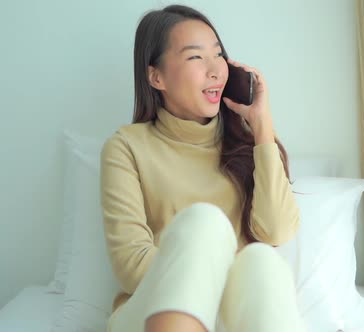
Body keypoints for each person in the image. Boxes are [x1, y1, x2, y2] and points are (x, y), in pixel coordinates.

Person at [100, 4, 305, 332]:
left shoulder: (249, 142)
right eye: (196, 57)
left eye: (218, 54)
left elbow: (277, 231)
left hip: (230, 320)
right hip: (149, 312)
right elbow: (130, 264)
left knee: (263, 262)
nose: (215, 70)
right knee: (204, 223)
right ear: (156, 76)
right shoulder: (126, 146)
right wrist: (204, 270)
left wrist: (262, 127)